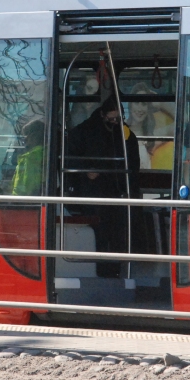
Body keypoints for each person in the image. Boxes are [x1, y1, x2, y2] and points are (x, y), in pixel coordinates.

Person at [66, 97, 141, 275]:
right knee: (100, 232)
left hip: (117, 190)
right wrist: (86, 171)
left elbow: (132, 162)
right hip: (93, 191)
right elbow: (71, 159)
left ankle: (115, 269)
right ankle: (100, 269)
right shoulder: (84, 132)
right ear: (102, 114)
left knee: (118, 233)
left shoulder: (125, 134)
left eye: (118, 119)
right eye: (111, 119)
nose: (115, 123)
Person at [11, 118, 45, 196]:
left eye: (25, 136)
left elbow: (25, 188)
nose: (23, 140)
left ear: (33, 136)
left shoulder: (29, 159)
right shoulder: (45, 153)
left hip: (23, 203)